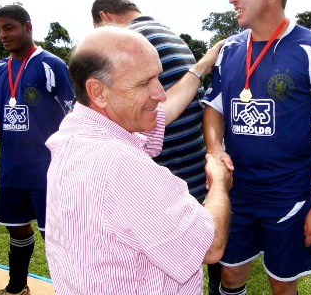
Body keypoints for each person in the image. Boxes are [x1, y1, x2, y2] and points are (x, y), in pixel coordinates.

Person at [201, 0, 311, 294]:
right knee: (229, 276)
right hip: (236, 193)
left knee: (282, 285)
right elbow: (213, 110)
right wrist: (215, 150)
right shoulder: (228, 50)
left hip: (287, 195)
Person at [44, 25, 232, 294]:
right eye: (145, 83)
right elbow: (210, 245)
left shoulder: (75, 133)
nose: (160, 93)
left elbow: (165, 109)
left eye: (158, 78)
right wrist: (219, 185)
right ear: (98, 91)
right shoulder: (121, 165)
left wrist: (202, 66)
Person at [91, 0, 222, 294]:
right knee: (207, 239)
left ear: (104, 19)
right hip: (195, 163)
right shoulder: (173, 36)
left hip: (160, 173)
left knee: (172, 257)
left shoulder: (126, 44)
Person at [0, 5, 75, 295]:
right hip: (12, 168)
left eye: (8, 27)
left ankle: (70, 289)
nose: (2, 35)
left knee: (55, 236)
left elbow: (73, 115)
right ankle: (16, 287)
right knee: (16, 228)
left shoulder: (52, 65)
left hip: (48, 168)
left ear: (27, 27)